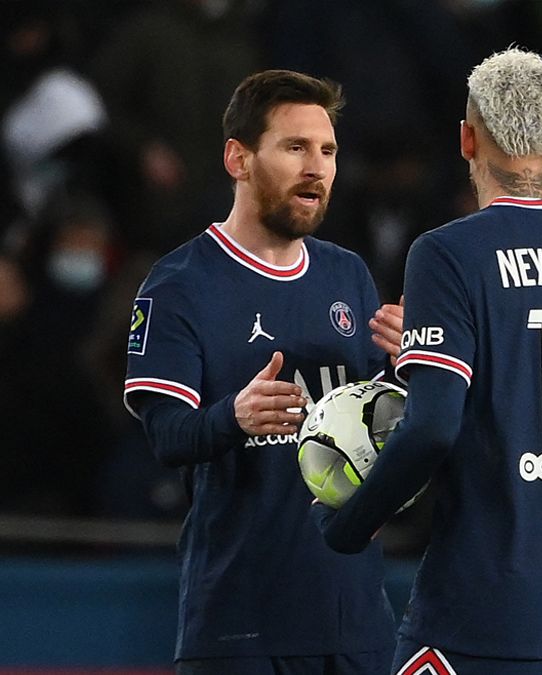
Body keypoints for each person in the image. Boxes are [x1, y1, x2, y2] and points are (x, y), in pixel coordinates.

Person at [314, 47, 542, 675]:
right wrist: (435, 351)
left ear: (467, 139)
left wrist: (346, 525)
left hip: (487, 594)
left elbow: (434, 429)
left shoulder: (449, 252)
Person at [123, 69, 396, 675]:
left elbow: (388, 427)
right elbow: (166, 435)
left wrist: (414, 364)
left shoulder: (348, 275)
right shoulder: (180, 286)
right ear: (238, 159)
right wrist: (233, 416)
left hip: (356, 621)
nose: (316, 167)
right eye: (295, 147)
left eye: (327, 150)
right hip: (240, 626)